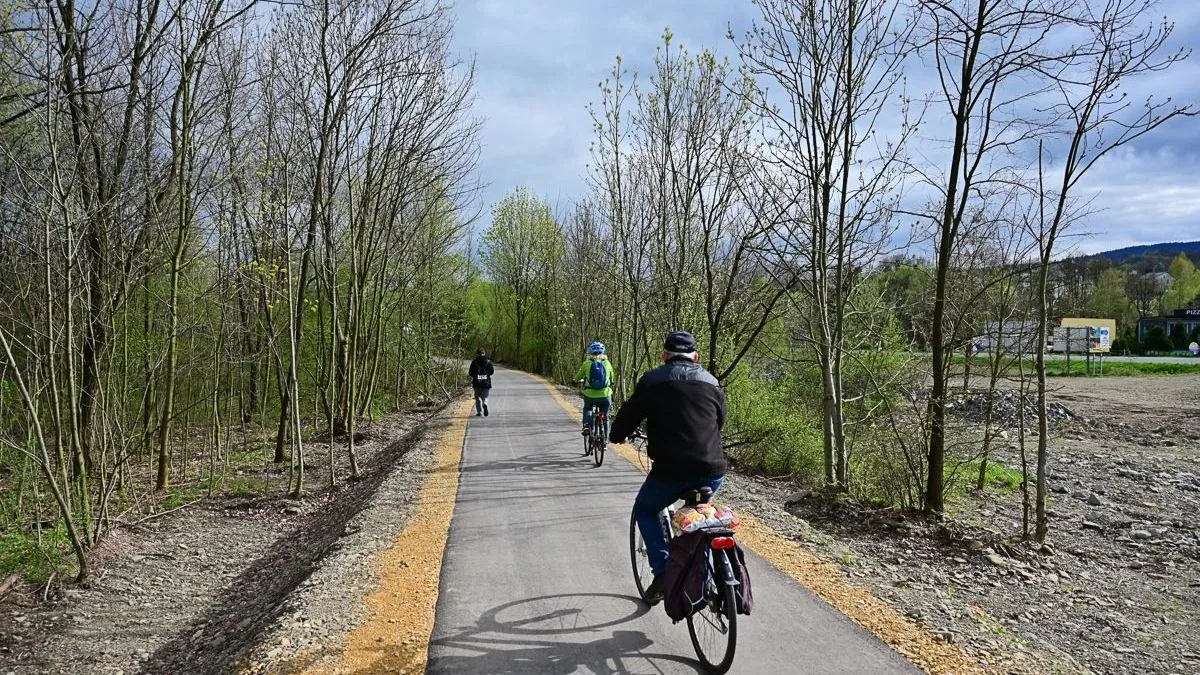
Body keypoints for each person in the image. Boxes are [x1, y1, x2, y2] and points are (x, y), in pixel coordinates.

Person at [608, 330, 726, 604]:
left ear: (664, 356)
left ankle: (662, 573)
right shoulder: (712, 382)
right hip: (713, 469)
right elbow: (719, 421)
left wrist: (617, 435)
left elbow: (628, 416)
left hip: (671, 472)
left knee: (646, 509)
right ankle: (707, 570)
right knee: (701, 515)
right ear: (696, 357)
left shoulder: (653, 381)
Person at [574, 341, 615, 437]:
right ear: (603, 352)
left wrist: (575, 380)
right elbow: (612, 378)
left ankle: (587, 425)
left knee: (588, 409)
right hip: (605, 395)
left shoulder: (587, 363)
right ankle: (605, 440)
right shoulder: (607, 363)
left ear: (590, 352)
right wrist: (611, 382)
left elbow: (578, 376)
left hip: (590, 394)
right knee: (605, 416)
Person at [468, 348, 494, 417]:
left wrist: (475, 376)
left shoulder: (474, 362)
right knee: (485, 396)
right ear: (484, 353)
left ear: (477, 354)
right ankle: (484, 404)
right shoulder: (488, 362)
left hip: (477, 383)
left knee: (477, 397)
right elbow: (492, 372)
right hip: (486, 383)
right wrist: (486, 375)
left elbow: (470, 372)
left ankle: (479, 412)